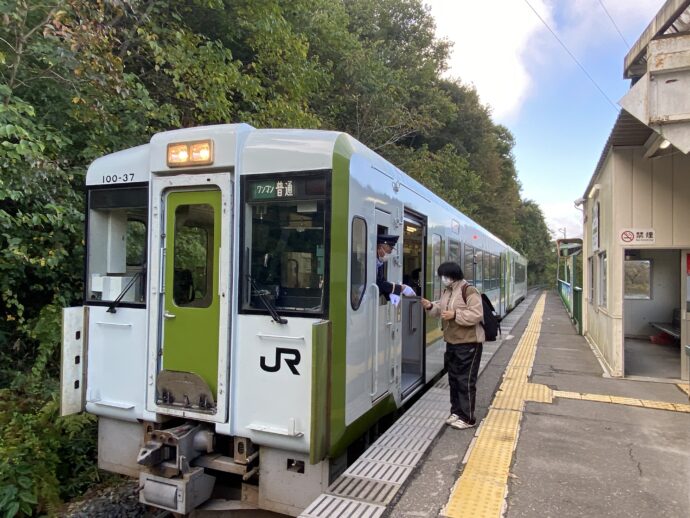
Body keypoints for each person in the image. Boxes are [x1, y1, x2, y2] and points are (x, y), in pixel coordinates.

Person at [421, 262, 484, 430]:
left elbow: (476, 314)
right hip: (452, 342)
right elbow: (442, 309)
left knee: (465, 380)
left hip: (469, 342)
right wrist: (429, 306)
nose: (443, 279)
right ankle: (456, 412)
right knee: (454, 379)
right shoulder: (448, 291)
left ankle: (468, 418)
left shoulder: (469, 290)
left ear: (453, 275)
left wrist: (455, 314)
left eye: (445, 276)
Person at [376, 234, 414, 302]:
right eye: (390, 249)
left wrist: (390, 294)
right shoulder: (370, 261)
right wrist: (401, 288)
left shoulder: (379, 262)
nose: (390, 252)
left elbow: (382, 281)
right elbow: (377, 283)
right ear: (381, 247)